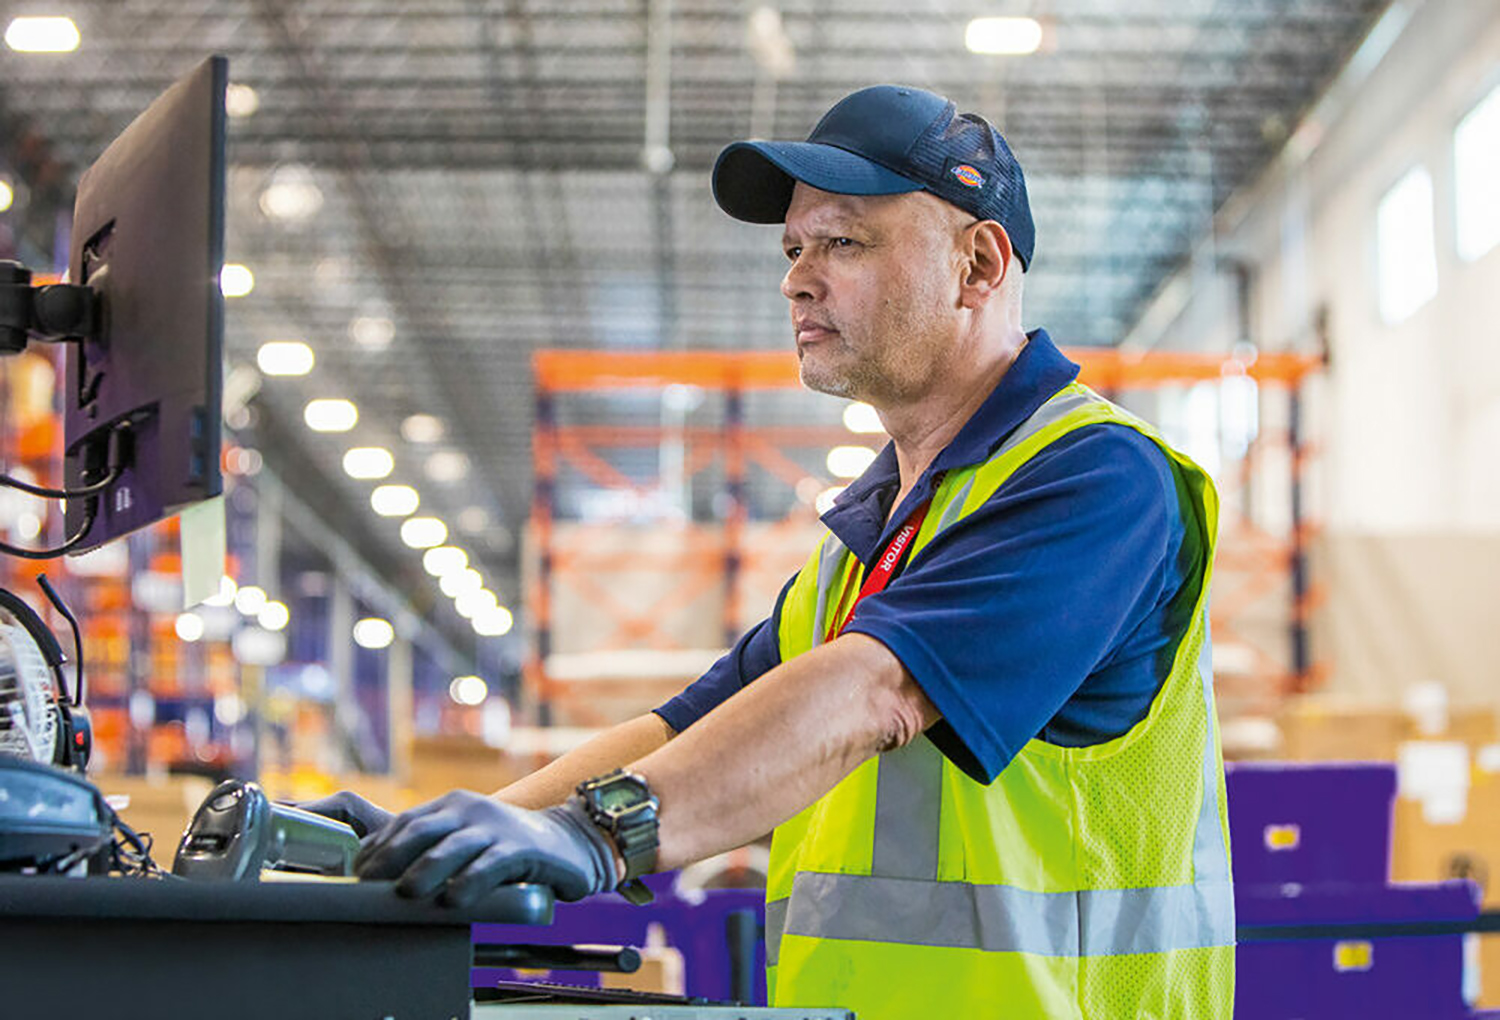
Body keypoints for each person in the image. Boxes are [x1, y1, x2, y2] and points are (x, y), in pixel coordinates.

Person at [308, 84, 1235, 1019]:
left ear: (978, 264)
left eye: (843, 242)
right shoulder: (872, 538)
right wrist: (473, 830)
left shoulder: (1095, 480)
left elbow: (880, 691)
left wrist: (601, 833)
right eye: (794, 248)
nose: (797, 278)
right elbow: (688, 727)